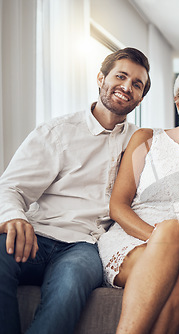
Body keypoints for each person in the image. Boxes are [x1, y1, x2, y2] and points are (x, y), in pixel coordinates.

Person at [0, 47, 150, 334]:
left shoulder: (139, 141)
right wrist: (13, 216)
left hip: (85, 245)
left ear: (140, 97)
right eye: (121, 76)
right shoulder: (57, 132)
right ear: (101, 78)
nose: (126, 87)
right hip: (39, 233)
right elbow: (12, 187)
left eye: (137, 84)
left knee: (71, 285)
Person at [98, 68, 179, 334]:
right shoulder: (147, 138)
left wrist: (172, 242)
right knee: (170, 230)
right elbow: (118, 206)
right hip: (132, 236)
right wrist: (161, 239)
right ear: (178, 102)